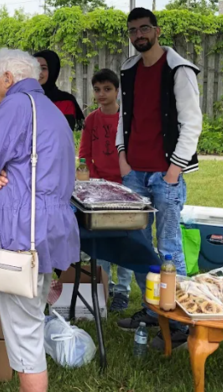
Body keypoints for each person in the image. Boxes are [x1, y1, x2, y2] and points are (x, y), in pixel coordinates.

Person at [0, 49, 81, 392]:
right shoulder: (51, 110)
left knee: (24, 329)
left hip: (21, 232)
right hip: (47, 229)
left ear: (8, 78)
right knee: (30, 318)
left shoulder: (15, 106)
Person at [115, 9, 203, 351]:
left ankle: (180, 320)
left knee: (169, 247)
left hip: (165, 174)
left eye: (144, 28)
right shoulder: (129, 69)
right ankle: (153, 310)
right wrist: (122, 159)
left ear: (157, 30)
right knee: (139, 248)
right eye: (133, 30)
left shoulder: (178, 69)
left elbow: (192, 122)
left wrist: (174, 170)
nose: (139, 35)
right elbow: (126, 116)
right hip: (134, 172)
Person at [79, 69, 134, 313]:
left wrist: (128, 181)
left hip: (124, 187)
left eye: (107, 89)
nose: (102, 94)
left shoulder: (127, 117)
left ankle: (122, 290)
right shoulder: (91, 119)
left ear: (117, 91)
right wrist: (89, 180)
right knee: (100, 241)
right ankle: (104, 286)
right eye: (97, 89)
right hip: (98, 189)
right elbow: (84, 152)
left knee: (124, 240)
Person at [35, 50, 86, 131]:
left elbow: (64, 133)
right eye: (35, 68)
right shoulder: (24, 98)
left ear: (52, 70)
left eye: (43, 68)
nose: (38, 72)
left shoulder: (65, 101)